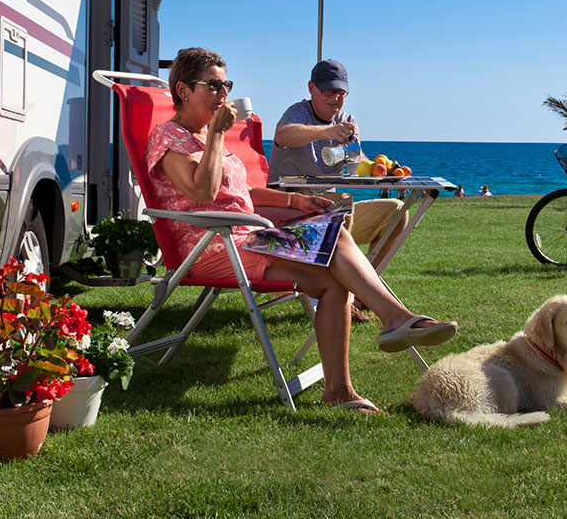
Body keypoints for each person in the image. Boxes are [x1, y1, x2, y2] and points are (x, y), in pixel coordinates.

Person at [145, 48, 456, 414]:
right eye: (212, 85)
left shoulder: (208, 138)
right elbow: (203, 192)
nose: (222, 93)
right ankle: (395, 319)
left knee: (333, 265)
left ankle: (340, 388)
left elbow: (240, 193)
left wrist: (297, 202)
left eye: (226, 85)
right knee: (334, 238)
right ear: (183, 90)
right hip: (213, 245)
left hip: (247, 239)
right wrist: (216, 135)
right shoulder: (168, 136)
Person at [268, 59, 409, 272]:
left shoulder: (347, 120)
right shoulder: (298, 113)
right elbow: (283, 135)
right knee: (342, 205)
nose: (336, 98)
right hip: (290, 212)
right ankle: (346, 284)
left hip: (330, 213)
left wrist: (381, 169)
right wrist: (326, 132)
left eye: (341, 92)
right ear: (311, 88)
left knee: (397, 211)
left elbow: (357, 160)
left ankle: (363, 283)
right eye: (328, 91)